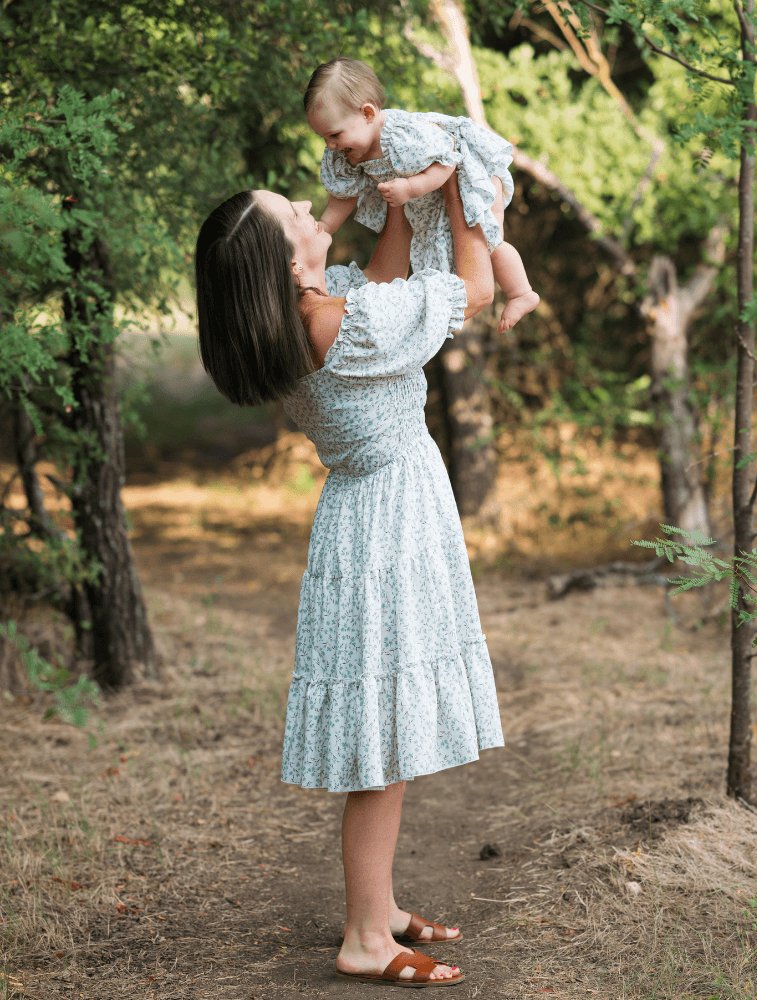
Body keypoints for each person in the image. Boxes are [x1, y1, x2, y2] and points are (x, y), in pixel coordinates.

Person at [195, 172, 504, 987]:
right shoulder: (342, 325)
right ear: (287, 265)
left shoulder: (315, 313)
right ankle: (366, 935)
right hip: (384, 521)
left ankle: (383, 903)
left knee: (387, 726)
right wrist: (463, 191)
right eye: (294, 214)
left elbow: (376, 278)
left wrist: (395, 199)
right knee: (384, 736)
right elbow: (468, 289)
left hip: (374, 510)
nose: (311, 207)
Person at [305, 57, 540, 333]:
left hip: (468, 172)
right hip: (431, 197)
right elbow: (343, 194)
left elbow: (446, 160)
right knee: (448, 256)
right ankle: (462, 308)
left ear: (368, 114)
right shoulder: (346, 150)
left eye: (334, 135)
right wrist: (325, 228)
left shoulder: (400, 135)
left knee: (489, 241)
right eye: (323, 137)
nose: (330, 145)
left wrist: (409, 188)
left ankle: (521, 292)